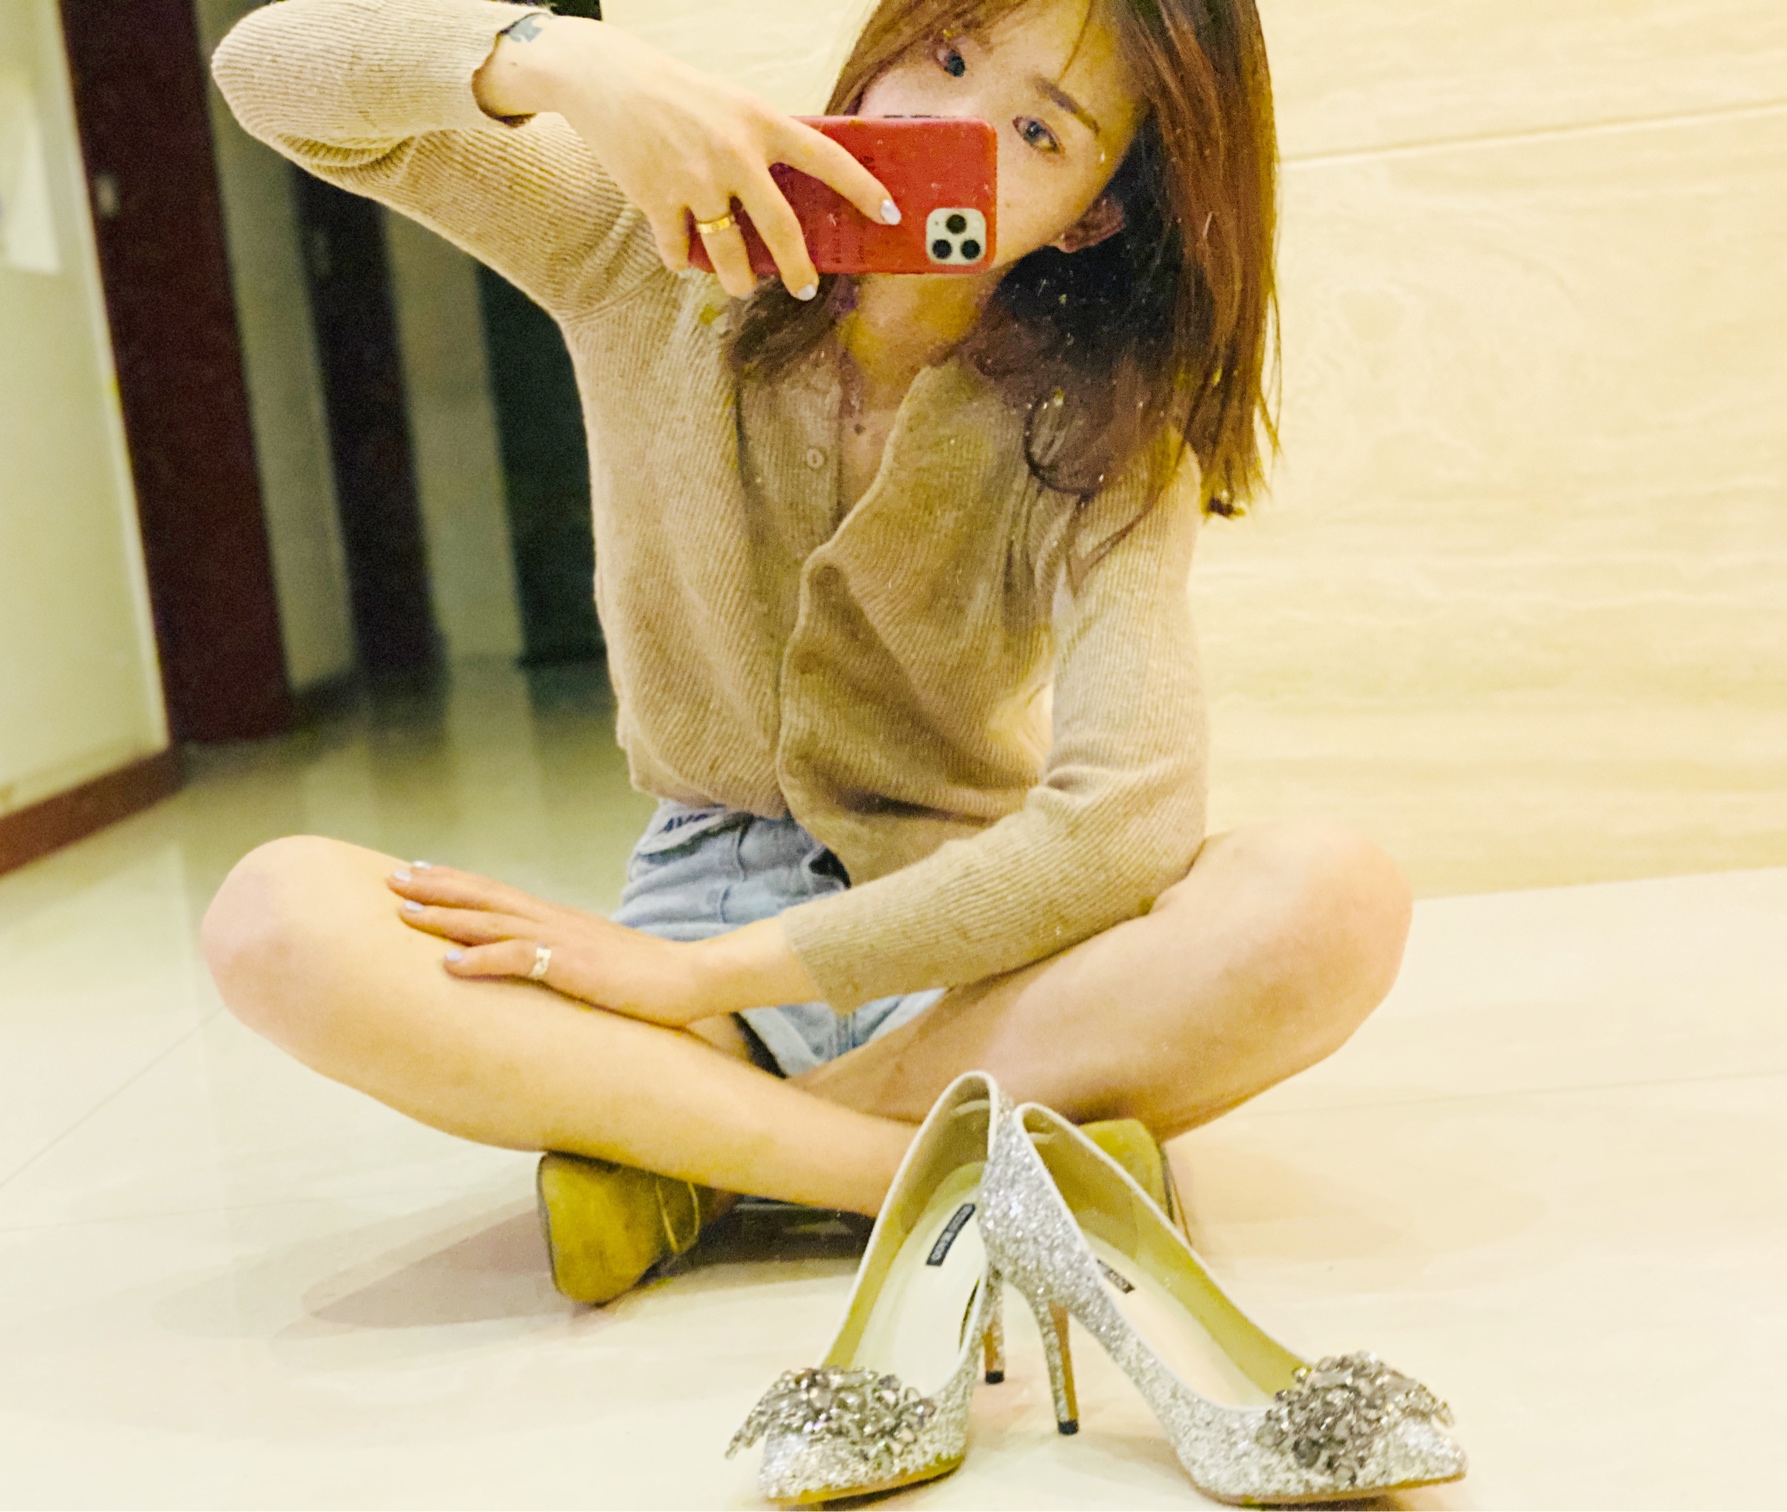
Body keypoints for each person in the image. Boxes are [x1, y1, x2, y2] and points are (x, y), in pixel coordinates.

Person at [202, 0, 1412, 1301]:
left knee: (1332, 897)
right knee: (276, 916)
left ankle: (685, 1147)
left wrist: (693, 982)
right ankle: (917, 1168)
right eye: (948, 56)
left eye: (1037, 133)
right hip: (698, 901)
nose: (950, 126)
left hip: (962, 951)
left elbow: (1126, 820)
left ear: (1093, 213)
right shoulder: (651, 246)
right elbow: (267, 73)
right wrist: (576, 65)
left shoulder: (1099, 430)